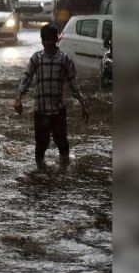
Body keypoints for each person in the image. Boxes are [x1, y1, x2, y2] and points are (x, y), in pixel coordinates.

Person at [14, 23, 89, 168]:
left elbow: (73, 83)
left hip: (58, 110)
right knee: (41, 144)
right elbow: (27, 78)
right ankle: (40, 172)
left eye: (50, 39)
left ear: (56, 40)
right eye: (44, 40)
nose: (47, 43)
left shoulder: (64, 60)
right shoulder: (37, 58)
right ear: (41, 40)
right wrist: (18, 97)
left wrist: (83, 103)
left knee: (62, 143)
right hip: (41, 111)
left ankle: (64, 172)